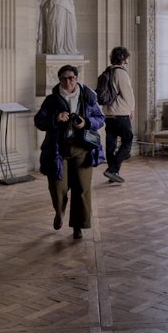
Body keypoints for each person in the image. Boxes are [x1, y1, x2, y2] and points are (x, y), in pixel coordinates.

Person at [34, 64, 105, 239]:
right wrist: (55, 119)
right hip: (58, 149)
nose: (68, 82)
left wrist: (86, 122)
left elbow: (100, 118)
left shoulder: (88, 96)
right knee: (58, 188)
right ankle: (59, 212)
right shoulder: (52, 100)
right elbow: (39, 121)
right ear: (59, 80)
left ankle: (78, 227)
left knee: (82, 189)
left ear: (77, 78)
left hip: (82, 149)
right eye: (64, 78)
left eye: (71, 78)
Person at [101, 46, 134, 184]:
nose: (127, 61)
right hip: (121, 114)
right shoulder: (121, 73)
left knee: (110, 146)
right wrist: (131, 109)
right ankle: (113, 170)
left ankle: (112, 172)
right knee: (127, 143)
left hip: (108, 114)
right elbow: (127, 93)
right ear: (123, 58)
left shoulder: (107, 71)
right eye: (126, 58)